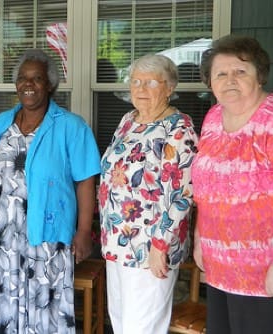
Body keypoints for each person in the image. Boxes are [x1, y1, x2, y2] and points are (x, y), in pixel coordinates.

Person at [0, 49, 101, 333]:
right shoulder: (1, 123)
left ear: (50, 84)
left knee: (46, 307)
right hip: (3, 234)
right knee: (3, 302)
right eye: (22, 78)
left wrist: (82, 231)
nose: (28, 84)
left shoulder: (71, 127)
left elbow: (85, 181)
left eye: (36, 78)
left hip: (47, 237)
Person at [98, 54, 198, 334]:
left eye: (151, 82)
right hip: (117, 242)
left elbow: (182, 193)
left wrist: (161, 245)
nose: (140, 88)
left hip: (150, 248)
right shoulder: (128, 120)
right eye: (136, 81)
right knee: (120, 322)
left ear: (169, 88)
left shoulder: (179, 129)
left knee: (142, 327)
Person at [192, 34, 273, 334]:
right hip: (219, 265)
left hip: (264, 272)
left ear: (259, 75)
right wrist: (201, 238)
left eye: (241, 72)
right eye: (221, 74)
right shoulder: (213, 118)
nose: (230, 80)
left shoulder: (271, 119)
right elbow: (206, 185)